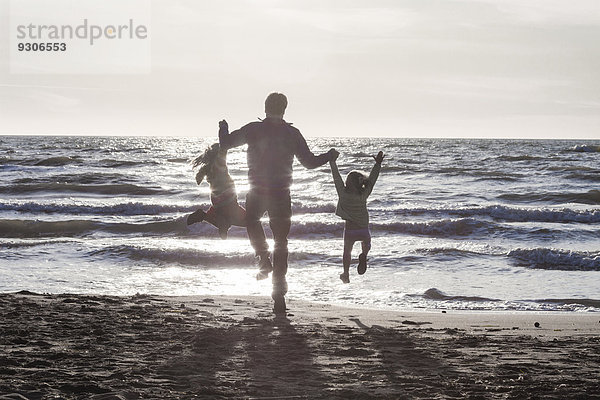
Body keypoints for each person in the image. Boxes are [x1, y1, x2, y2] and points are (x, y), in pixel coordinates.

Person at [219, 92, 337, 314]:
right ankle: (279, 295)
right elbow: (309, 163)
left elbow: (225, 144)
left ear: (265, 108)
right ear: (285, 109)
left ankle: (263, 258)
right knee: (281, 242)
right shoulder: (292, 133)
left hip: (257, 190)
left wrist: (223, 129)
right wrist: (328, 156)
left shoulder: (253, 129)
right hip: (282, 194)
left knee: (252, 221)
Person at [329, 150, 384, 283]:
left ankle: (346, 273)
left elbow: (336, 177)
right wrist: (377, 164)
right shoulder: (363, 194)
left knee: (347, 251)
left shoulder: (342, 193)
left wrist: (332, 162)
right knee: (367, 244)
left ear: (348, 182)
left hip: (350, 230)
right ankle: (364, 254)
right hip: (363, 229)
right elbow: (372, 180)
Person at [187, 143, 246, 239]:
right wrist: (224, 133)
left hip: (217, 202)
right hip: (228, 201)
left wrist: (202, 174)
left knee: (228, 219)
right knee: (250, 221)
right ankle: (221, 225)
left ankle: (208, 218)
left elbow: (198, 181)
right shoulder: (220, 164)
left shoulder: (207, 168)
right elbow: (223, 150)